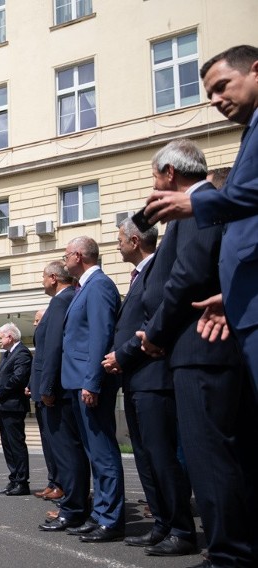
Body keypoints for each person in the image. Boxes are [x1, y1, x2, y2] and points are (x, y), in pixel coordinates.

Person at [137, 139, 254, 566]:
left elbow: (186, 276)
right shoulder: (200, 207)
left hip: (199, 346)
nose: (153, 185)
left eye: (154, 176)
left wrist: (155, 332)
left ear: (169, 173)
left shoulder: (197, 207)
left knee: (210, 457)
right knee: (225, 454)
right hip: (203, 345)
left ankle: (228, 554)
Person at [142, 45, 258, 398]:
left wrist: (195, 201)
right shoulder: (249, 132)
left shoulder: (195, 204)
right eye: (210, 94)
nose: (215, 99)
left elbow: (247, 198)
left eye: (222, 85)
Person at [102, 218, 197, 556]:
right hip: (137, 379)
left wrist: (121, 355)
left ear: (134, 240)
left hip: (154, 377)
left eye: (119, 240)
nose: (117, 245)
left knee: (163, 457)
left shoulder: (158, 268)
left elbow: (151, 323)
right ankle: (162, 523)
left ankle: (182, 529)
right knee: (145, 457)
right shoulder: (141, 274)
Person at [59, 236, 123, 543]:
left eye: (66, 254)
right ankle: (100, 514)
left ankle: (111, 519)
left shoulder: (98, 285)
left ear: (79, 256)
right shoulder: (86, 287)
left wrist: (93, 381)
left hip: (89, 382)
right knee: (93, 453)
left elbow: (101, 334)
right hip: (79, 381)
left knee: (103, 452)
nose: (64, 259)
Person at [35, 262, 91, 533]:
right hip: (66, 387)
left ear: (54, 278)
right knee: (71, 452)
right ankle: (73, 505)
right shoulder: (71, 298)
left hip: (58, 391)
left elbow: (53, 347)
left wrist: (46, 388)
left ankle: (72, 509)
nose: (42, 281)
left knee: (67, 453)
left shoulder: (61, 301)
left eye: (43, 277)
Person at [0, 323, 32, 496]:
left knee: (16, 444)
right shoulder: (7, 354)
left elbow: (18, 378)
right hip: (4, 406)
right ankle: (14, 479)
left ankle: (22, 482)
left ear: (10, 337)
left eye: (1, 337)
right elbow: (1, 376)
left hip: (14, 406)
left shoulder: (22, 353)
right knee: (8, 445)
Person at [29, 309, 61, 501]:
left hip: (49, 396)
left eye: (37, 320)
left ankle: (60, 484)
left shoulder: (49, 336)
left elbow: (49, 363)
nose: (34, 324)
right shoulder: (40, 341)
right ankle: (53, 481)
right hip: (39, 396)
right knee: (47, 444)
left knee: (55, 444)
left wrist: (45, 388)